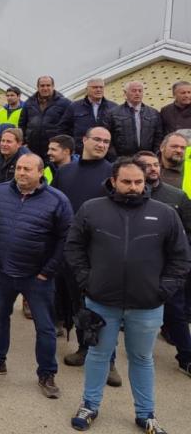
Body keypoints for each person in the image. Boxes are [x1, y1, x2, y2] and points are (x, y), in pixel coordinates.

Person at [65, 158, 190, 433]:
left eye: (138, 182)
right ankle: (89, 405)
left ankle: (145, 414)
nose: (133, 187)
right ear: (113, 181)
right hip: (100, 301)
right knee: (98, 355)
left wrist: (163, 290)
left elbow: (180, 258)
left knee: (142, 359)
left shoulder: (165, 213)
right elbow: (73, 248)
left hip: (147, 305)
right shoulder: (91, 209)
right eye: (127, 182)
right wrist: (88, 281)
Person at [0, 153, 72, 400]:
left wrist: (48, 271)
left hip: (36, 277)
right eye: (19, 168)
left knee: (45, 328)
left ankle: (47, 374)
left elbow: (66, 238)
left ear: (41, 173)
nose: (21, 173)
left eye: (27, 169)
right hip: (1, 272)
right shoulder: (1, 191)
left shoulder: (57, 200)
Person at [53, 127, 115, 368]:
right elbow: (55, 207)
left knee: (102, 306)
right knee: (77, 303)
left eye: (106, 142)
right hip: (71, 250)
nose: (101, 144)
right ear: (84, 140)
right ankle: (83, 347)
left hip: (102, 251)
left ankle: (109, 361)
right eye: (97, 139)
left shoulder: (113, 172)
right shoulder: (66, 172)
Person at [133, 151, 191, 382]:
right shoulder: (129, 197)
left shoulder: (177, 196)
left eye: (156, 165)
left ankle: (186, 356)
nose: (153, 169)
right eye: (146, 166)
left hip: (166, 267)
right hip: (136, 267)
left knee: (175, 312)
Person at [103, 81, 164, 157]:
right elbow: (107, 137)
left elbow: (158, 137)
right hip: (122, 159)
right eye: (134, 91)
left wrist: (155, 155)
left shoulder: (153, 113)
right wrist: (114, 157)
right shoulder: (113, 113)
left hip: (146, 158)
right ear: (125, 93)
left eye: (140, 91)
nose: (137, 93)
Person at [19, 75, 71, 161]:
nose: (45, 88)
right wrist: (24, 143)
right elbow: (22, 124)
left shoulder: (65, 103)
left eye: (48, 85)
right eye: (42, 86)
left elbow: (70, 126)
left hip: (55, 150)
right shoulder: (29, 103)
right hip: (32, 149)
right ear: (38, 87)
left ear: (53, 86)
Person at [61, 79, 115, 155]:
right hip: (81, 153)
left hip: (106, 154)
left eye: (101, 87)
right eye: (95, 87)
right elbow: (63, 129)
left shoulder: (113, 107)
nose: (98, 90)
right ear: (87, 89)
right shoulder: (74, 107)